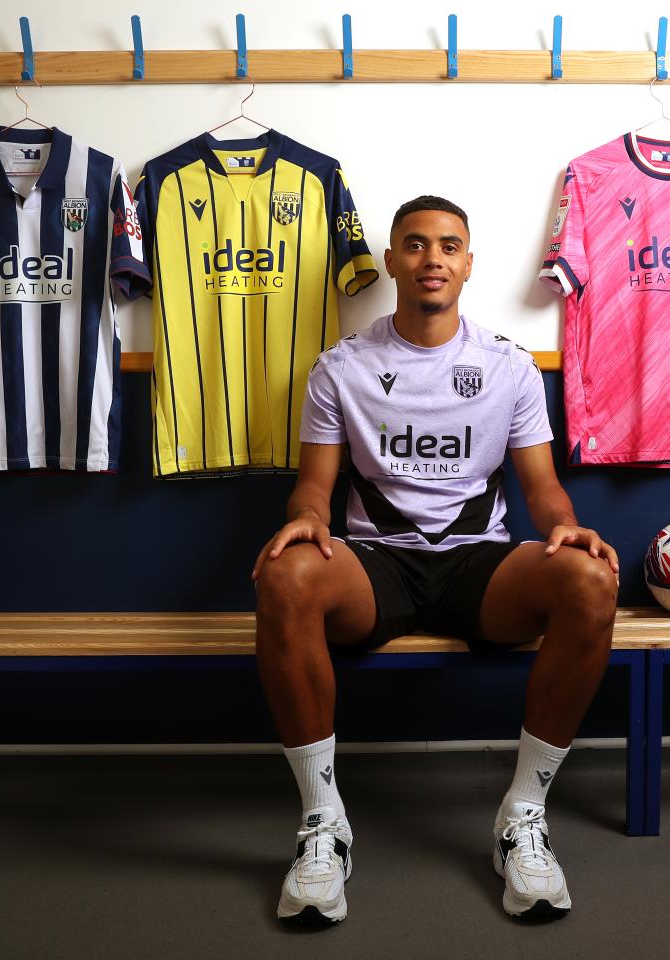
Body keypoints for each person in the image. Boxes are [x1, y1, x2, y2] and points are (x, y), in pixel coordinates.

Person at [251, 195, 619, 925]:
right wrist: (301, 523)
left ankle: (523, 815)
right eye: (415, 245)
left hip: (477, 568)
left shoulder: (508, 367)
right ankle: (323, 825)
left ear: (468, 265)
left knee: (589, 576)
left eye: (448, 246)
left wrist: (569, 529)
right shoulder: (340, 368)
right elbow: (315, 489)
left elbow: (542, 490)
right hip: (375, 565)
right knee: (286, 573)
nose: (432, 258)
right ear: (392, 261)